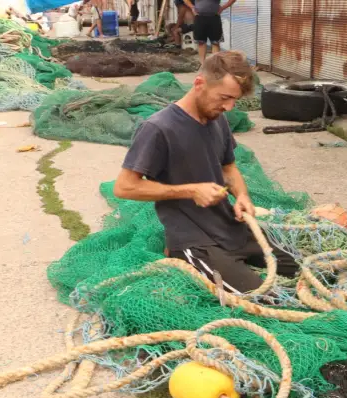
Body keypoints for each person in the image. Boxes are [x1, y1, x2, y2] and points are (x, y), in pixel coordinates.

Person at [113, 51, 299, 293]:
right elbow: (124, 187)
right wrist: (191, 190)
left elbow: (229, 168)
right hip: (194, 239)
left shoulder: (218, 120)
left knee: (297, 267)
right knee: (264, 296)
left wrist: (242, 196)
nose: (229, 107)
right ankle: (183, 259)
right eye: (224, 97)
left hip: (229, 227)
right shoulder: (158, 128)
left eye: (235, 100)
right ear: (199, 83)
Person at [182, 0, 237, 64]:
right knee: (201, 42)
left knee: (215, 42)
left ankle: (215, 65)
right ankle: (203, 65)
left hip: (214, 18)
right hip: (199, 18)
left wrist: (223, 7)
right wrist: (192, 7)